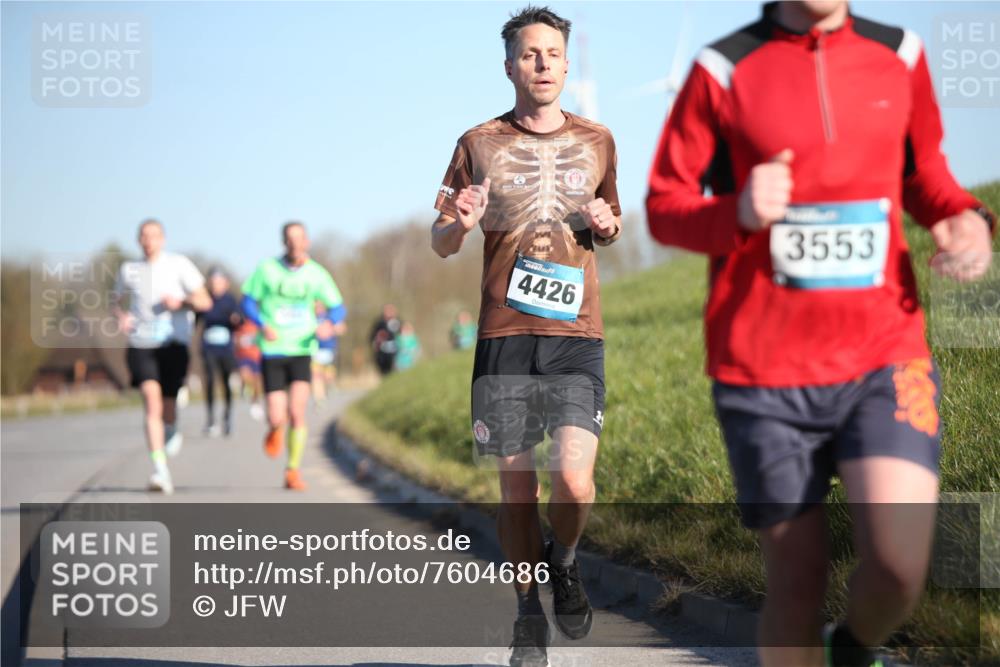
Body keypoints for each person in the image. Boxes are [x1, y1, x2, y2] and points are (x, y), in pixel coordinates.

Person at [645, 2, 996, 666]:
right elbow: (665, 207)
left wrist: (967, 218)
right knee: (797, 580)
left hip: (884, 355)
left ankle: (853, 649)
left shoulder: (901, 55)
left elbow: (927, 177)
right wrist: (739, 208)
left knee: (899, 567)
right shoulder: (722, 67)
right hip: (762, 372)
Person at [431, 7, 622, 666]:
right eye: (529, 54)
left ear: (567, 65)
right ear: (510, 65)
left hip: (576, 333)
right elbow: (441, 241)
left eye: (553, 53)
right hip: (503, 336)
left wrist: (606, 221)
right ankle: (526, 612)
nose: (542, 63)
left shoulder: (599, 139)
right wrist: (457, 222)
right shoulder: (477, 142)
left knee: (574, 479)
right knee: (518, 491)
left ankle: (564, 561)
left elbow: (610, 221)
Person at [241, 221, 347, 491]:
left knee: (297, 412)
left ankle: (292, 471)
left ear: (307, 242)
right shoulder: (267, 270)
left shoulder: (317, 274)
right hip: (273, 349)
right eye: (290, 239)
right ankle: (275, 429)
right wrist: (261, 323)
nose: (295, 243)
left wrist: (328, 324)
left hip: (302, 349)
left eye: (299, 238)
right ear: (284, 242)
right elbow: (247, 301)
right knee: (277, 416)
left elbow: (337, 308)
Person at [112, 218, 211, 494]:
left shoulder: (179, 265)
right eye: (143, 236)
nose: (148, 241)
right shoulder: (128, 270)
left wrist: (182, 303)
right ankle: (160, 470)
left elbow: (205, 301)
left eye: (153, 235)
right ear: (138, 240)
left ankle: (172, 428)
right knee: (151, 403)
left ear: (163, 239)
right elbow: (114, 300)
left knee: (168, 408)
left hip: (173, 344)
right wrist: (121, 316)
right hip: (141, 344)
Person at [198, 268, 241, 436]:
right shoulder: (205, 300)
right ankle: (210, 420)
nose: (215, 285)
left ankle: (227, 418)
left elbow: (240, 320)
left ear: (226, 283)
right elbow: (196, 318)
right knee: (209, 382)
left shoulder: (230, 300)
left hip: (226, 349)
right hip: (209, 348)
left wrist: (235, 319)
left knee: (226, 382)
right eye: (213, 282)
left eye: (218, 282)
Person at [233, 319, 265, 421]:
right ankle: (245, 387)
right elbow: (236, 340)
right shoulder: (240, 325)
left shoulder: (258, 324)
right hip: (244, 357)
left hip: (256, 357)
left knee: (257, 383)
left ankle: (255, 401)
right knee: (245, 374)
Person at [312, 301, 340, 405]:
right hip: (315, 350)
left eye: (319, 306)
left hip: (329, 349)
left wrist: (331, 329)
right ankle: (319, 398)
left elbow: (341, 328)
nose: (317, 308)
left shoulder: (329, 317)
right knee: (316, 375)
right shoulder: (311, 318)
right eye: (316, 307)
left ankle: (329, 386)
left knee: (328, 375)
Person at [369, 303, 400, 376]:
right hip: (382, 351)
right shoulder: (379, 323)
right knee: (383, 370)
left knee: (392, 370)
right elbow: (372, 335)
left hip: (395, 351)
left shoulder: (398, 322)